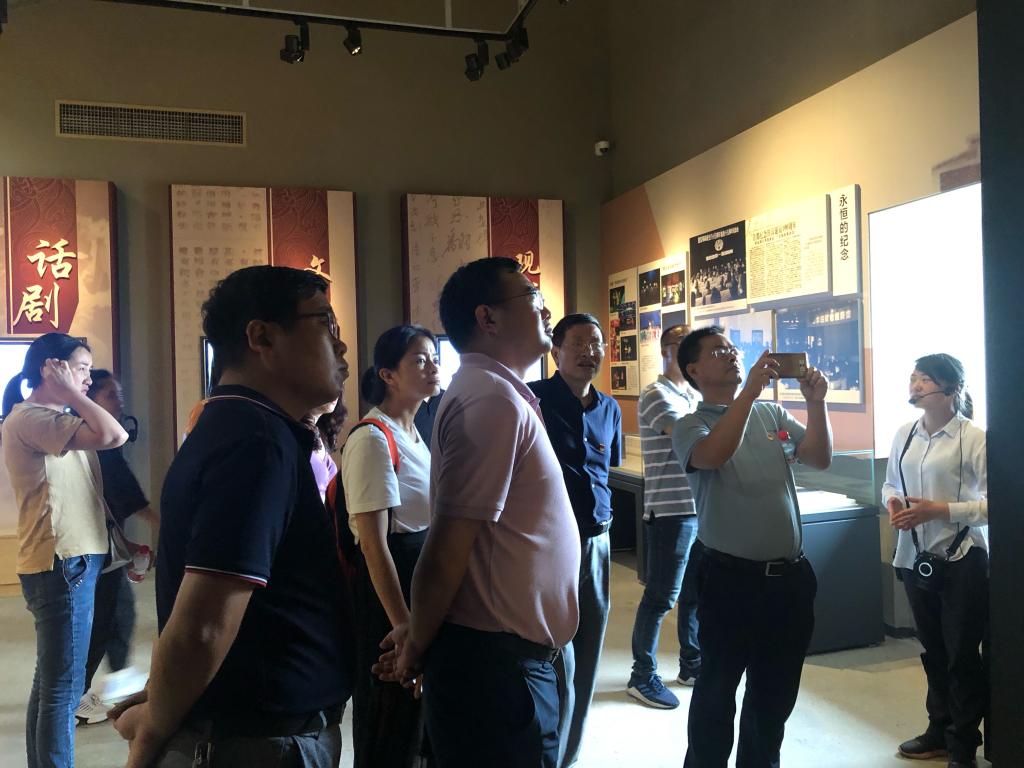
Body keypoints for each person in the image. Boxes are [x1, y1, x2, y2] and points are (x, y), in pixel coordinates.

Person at [111, 266, 353, 768]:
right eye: (325, 324)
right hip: (257, 744)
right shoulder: (254, 442)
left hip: (258, 733)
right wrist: (152, 730)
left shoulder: (248, 427)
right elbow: (203, 624)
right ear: (261, 337)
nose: (341, 345)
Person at [376, 257, 581, 768]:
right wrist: (416, 645)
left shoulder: (496, 392)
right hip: (498, 666)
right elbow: (447, 547)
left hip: (505, 657)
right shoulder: (490, 399)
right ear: (487, 318)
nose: (546, 310)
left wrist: (418, 636)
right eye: (533, 298)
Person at [673, 326, 832, 768]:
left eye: (731, 348)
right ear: (693, 370)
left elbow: (818, 457)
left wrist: (816, 404)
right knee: (717, 690)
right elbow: (714, 455)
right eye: (717, 351)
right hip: (729, 579)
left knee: (774, 695)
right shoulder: (691, 425)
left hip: (789, 580)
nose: (730, 354)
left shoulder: (771, 414)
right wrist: (748, 394)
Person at [2, 333, 128, 768]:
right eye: (81, 369)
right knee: (63, 688)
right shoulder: (33, 418)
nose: (88, 379)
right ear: (50, 369)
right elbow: (114, 434)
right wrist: (72, 393)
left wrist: (121, 542)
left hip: (71, 557)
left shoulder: (54, 419)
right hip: (63, 561)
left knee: (53, 683)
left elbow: (85, 489)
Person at [881, 354, 987, 768]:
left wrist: (940, 511)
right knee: (933, 650)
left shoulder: (974, 438)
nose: (916, 385)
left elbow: (995, 503)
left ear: (951, 389)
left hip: (961, 558)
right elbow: (891, 482)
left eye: (925, 379)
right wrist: (893, 501)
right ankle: (938, 728)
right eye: (914, 378)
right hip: (914, 556)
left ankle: (963, 744)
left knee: (961, 654)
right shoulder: (905, 434)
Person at [342, 324, 440, 768]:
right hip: (390, 595)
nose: (432, 366)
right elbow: (373, 545)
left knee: (416, 717)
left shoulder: (416, 433)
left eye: (434, 357)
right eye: (419, 359)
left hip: (419, 586)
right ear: (388, 375)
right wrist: (402, 626)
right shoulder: (372, 438)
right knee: (389, 719)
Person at [528, 313, 621, 767]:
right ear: (555, 351)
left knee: (588, 650)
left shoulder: (609, 408)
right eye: (579, 342)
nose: (590, 351)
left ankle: (569, 754)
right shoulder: (533, 400)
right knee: (549, 649)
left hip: (597, 541)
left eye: (597, 343)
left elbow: (607, 469)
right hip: (548, 544)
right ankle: (545, 744)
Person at [76, 371, 158, 726]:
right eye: (111, 394)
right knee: (103, 619)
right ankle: (77, 696)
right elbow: (120, 493)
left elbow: (120, 494)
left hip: (104, 543)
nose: (119, 401)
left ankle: (114, 682)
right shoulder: (93, 438)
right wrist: (159, 523)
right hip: (89, 546)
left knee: (118, 614)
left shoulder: (101, 436)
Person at [627, 324, 701, 710]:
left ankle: (692, 664)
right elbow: (688, 435)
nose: (688, 351)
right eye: (680, 344)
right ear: (666, 351)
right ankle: (641, 676)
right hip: (671, 512)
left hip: (698, 509)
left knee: (694, 595)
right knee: (660, 597)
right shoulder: (657, 394)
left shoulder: (693, 395)